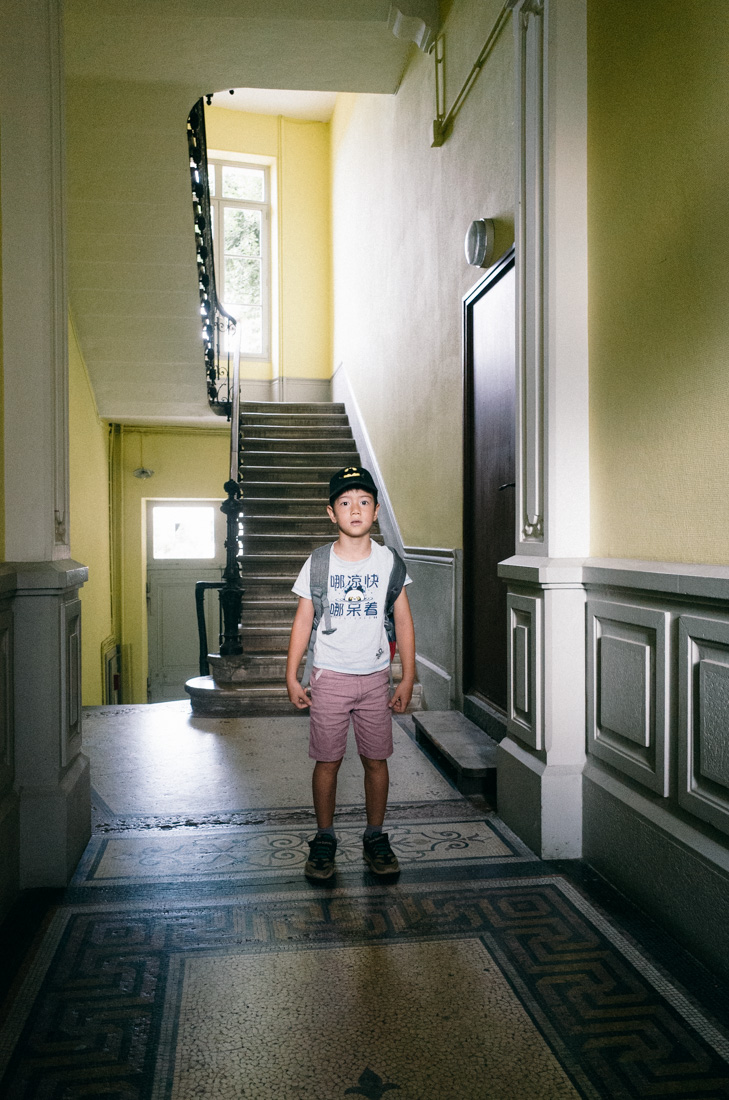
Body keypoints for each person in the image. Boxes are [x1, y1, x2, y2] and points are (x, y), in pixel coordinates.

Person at [286, 465, 416, 881]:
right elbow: (303, 620)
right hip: (329, 678)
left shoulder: (388, 562)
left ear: (376, 511)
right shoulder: (319, 563)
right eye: (345, 502)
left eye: (363, 502)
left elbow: (403, 620)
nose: (355, 509)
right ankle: (324, 837)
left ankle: (375, 835)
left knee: (376, 760)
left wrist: (407, 676)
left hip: (376, 678)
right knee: (328, 761)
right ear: (331, 513)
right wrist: (292, 674)